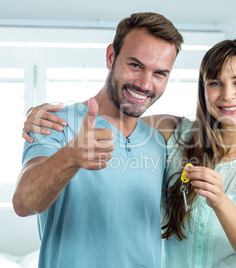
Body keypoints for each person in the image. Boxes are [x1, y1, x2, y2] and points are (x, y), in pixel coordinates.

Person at [23, 39, 236, 268]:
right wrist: (45, 114)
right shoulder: (173, 132)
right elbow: (113, 120)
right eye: (214, 83)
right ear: (204, 91)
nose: (227, 95)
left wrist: (220, 201)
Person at [13, 12, 184, 268]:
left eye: (160, 73)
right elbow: (24, 202)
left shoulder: (159, 141)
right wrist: (70, 157)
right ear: (111, 57)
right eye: (135, 65)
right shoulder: (56, 123)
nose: (145, 84)